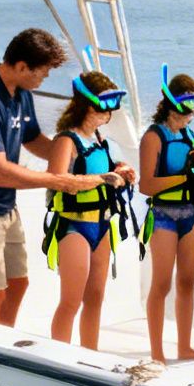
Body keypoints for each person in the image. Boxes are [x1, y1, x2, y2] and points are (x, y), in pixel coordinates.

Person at [0, 28, 124, 326]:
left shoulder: (21, 93)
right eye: (43, 72)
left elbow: (34, 140)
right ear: (22, 66)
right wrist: (58, 180)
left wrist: (83, 155)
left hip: (4, 206)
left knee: (18, 285)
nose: (45, 79)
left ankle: (2, 345)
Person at [45, 71, 136, 348]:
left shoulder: (99, 139)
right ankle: (58, 358)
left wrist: (119, 170)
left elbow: (103, 170)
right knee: (71, 301)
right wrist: (104, 178)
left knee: (95, 298)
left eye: (111, 108)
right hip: (74, 226)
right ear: (85, 104)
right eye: (102, 107)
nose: (108, 114)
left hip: (103, 225)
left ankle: (90, 355)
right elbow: (58, 180)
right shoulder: (66, 141)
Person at [138, 67, 194, 362]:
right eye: (189, 107)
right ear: (174, 104)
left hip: (190, 214)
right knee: (162, 284)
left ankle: (184, 346)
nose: (193, 114)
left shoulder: (190, 136)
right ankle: (157, 352)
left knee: (186, 282)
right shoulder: (153, 137)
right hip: (163, 216)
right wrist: (186, 178)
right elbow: (147, 185)